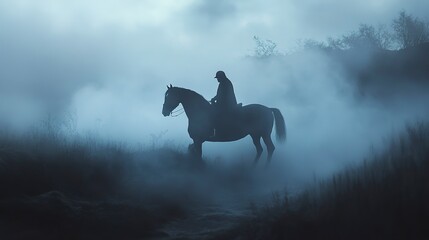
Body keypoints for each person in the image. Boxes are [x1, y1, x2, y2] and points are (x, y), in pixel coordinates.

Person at [210, 71, 238, 138]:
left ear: (221, 77)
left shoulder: (225, 83)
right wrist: (214, 99)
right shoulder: (224, 82)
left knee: (215, 114)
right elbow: (219, 95)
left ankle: (218, 132)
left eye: (218, 78)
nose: (217, 79)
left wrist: (215, 101)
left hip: (228, 104)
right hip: (224, 103)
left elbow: (223, 95)